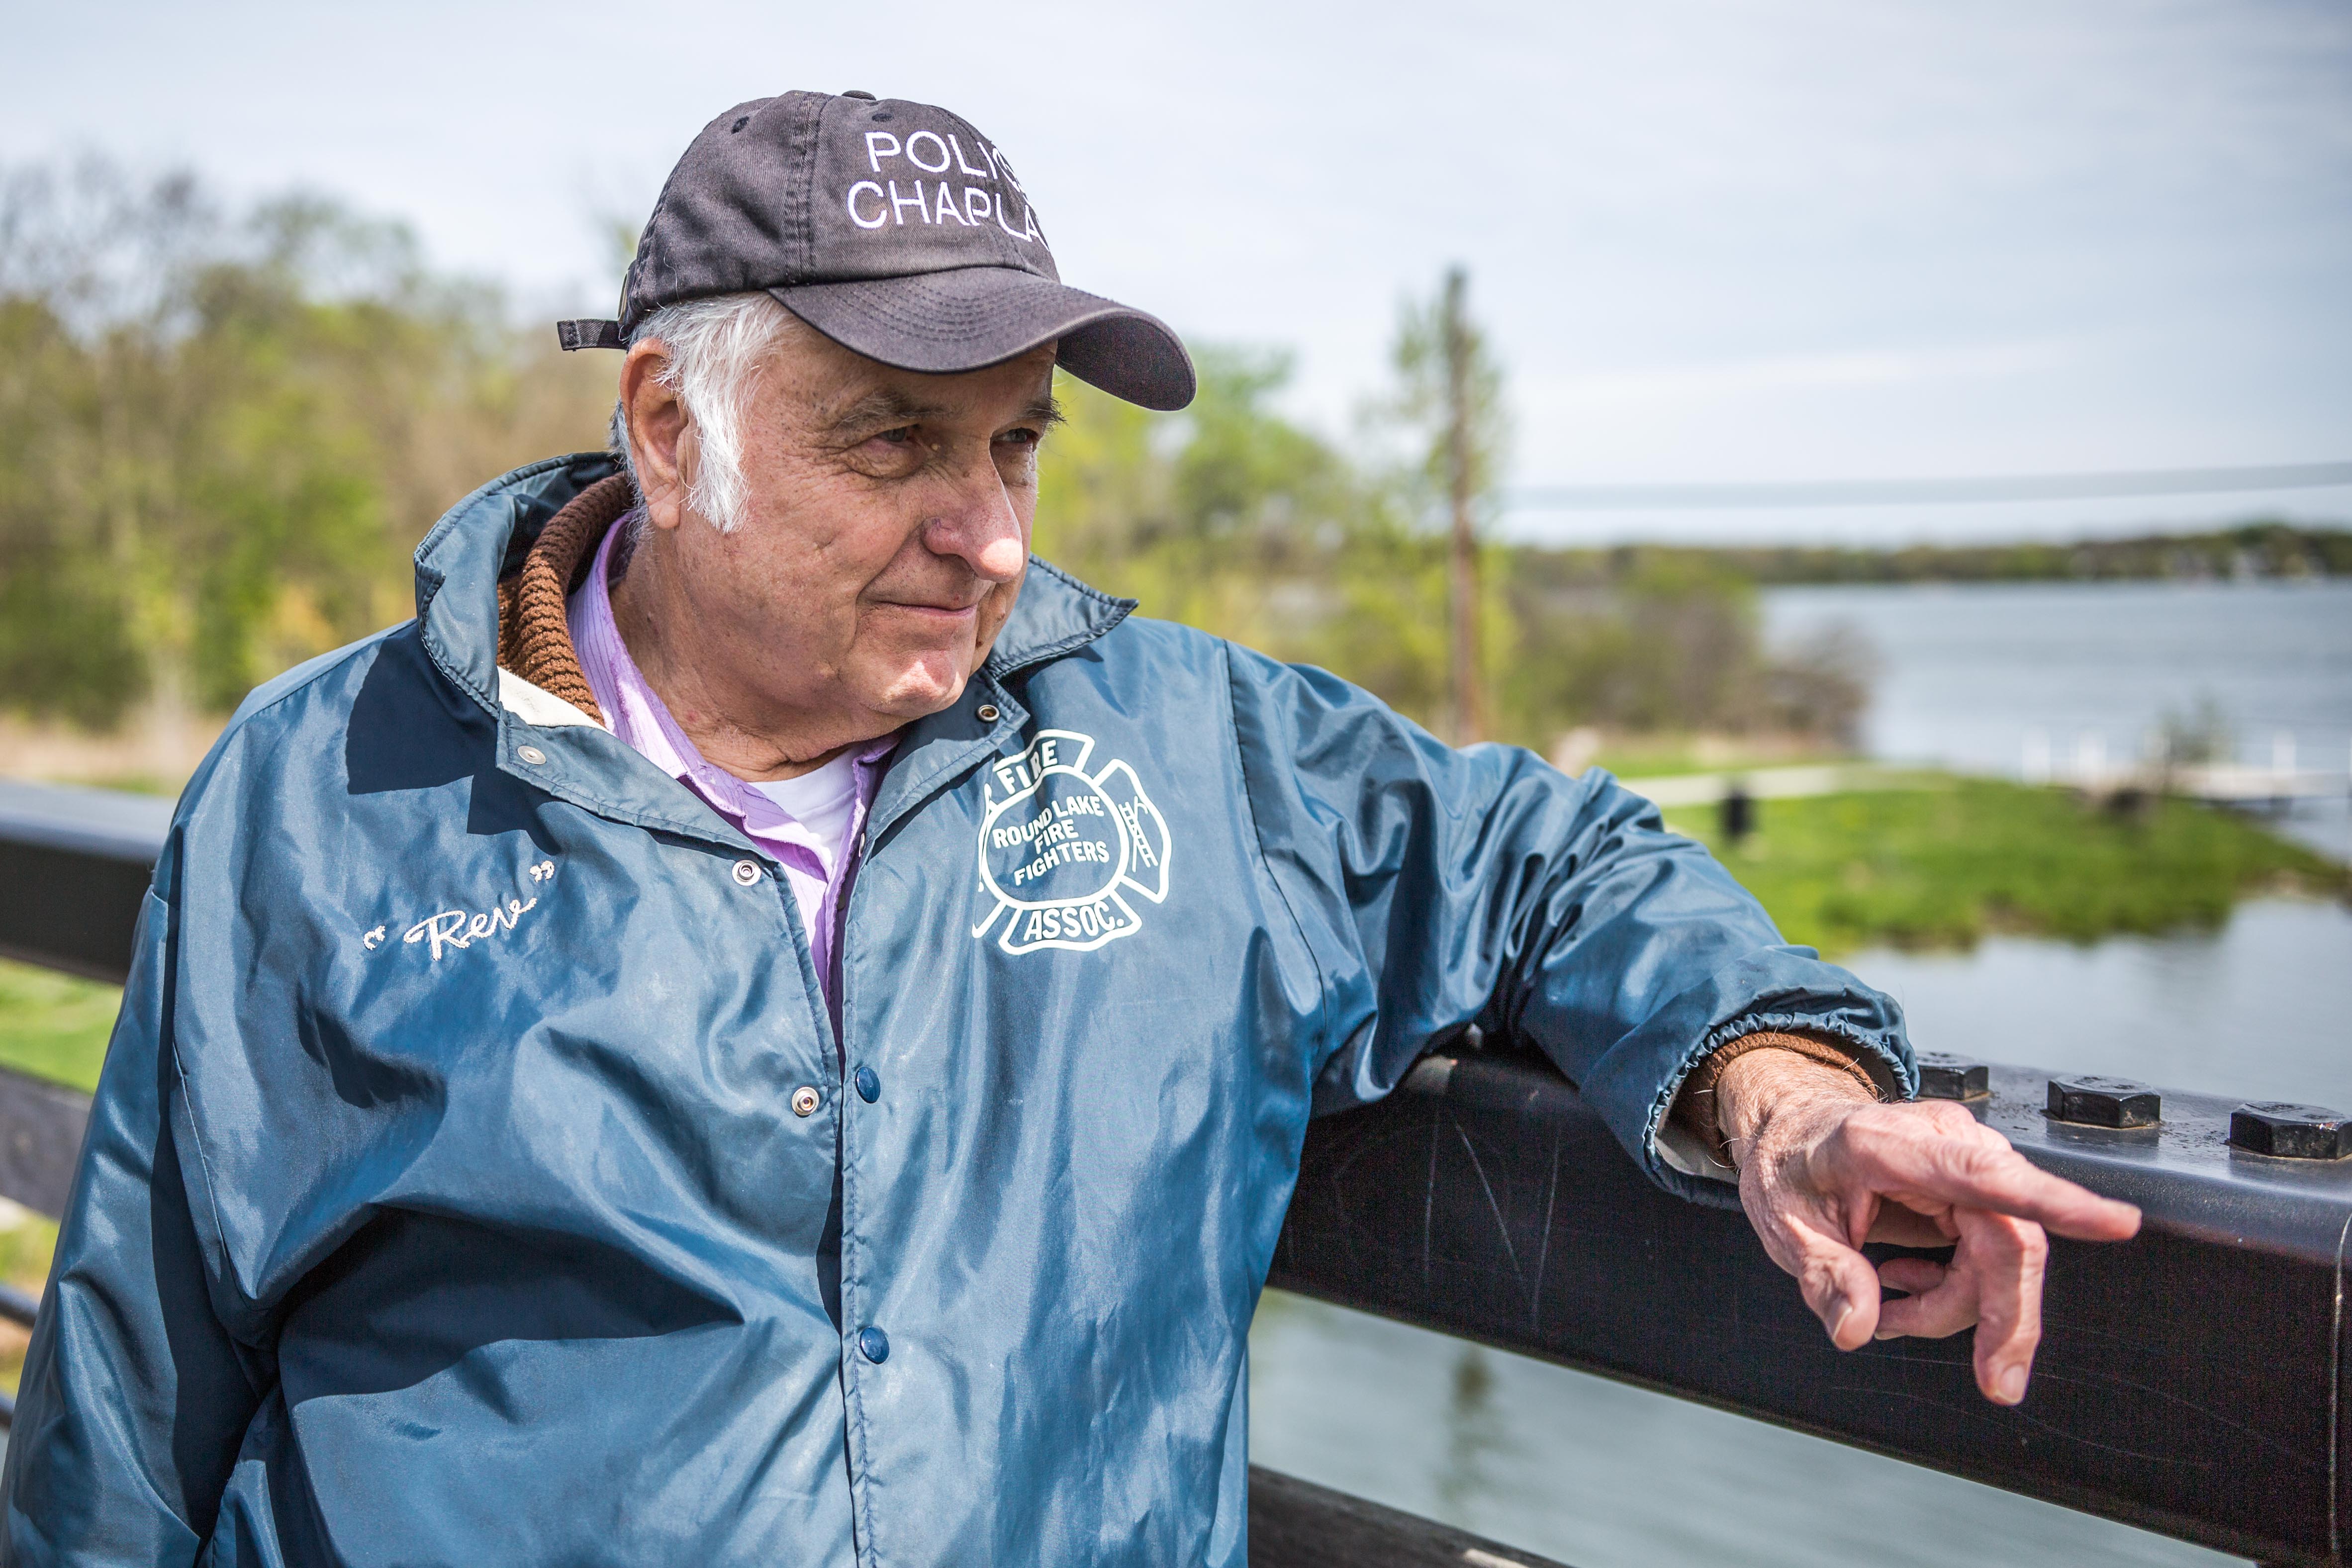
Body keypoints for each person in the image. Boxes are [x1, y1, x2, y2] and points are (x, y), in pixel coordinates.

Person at [0, 91, 2139, 1566]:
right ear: (668, 425)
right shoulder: (323, 789)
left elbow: (1547, 859)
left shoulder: (1189, 751)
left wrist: (1777, 1094)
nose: (987, 535)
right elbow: (134, 1386)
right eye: (896, 443)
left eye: (1019, 450)